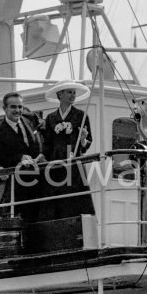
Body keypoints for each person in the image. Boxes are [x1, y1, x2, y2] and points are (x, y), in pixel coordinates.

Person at [0, 92, 45, 222]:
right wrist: (19, 159)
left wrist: (40, 156)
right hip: (14, 189)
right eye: (13, 107)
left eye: (20, 107)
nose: (17, 110)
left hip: (38, 185)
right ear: (4, 109)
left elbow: (43, 143)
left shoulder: (29, 122)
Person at [39, 80, 95, 221]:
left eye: (74, 93)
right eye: (69, 92)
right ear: (60, 94)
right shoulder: (51, 118)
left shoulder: (81, 115)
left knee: (75, 196)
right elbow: (48, 143)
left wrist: (83, 139)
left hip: (73, 159)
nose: (72, 95)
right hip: (55, 161)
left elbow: (87, 142)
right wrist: (41, 156)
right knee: (55, 196)